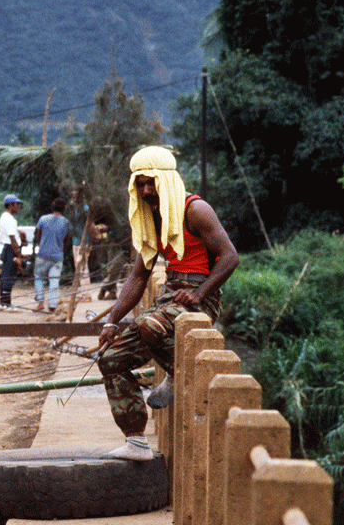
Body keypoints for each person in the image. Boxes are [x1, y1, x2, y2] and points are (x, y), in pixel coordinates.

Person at [95, 146, 239, 461]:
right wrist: (111, 322)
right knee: (110, 359)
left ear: (167, 179)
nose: (146, 190)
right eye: (140, 184)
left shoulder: (195, 209)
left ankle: (177, 371)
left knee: (149, 325)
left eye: (152, 183)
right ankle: (136, 442)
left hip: (201, 296)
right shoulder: (151, 218)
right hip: (170, 294)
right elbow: (138, 276)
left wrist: (200, 294)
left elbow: (230, 257)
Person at [32, 197, 73, 313]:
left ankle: (40, 303)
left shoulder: (43, 219)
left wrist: (42, 246)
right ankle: (52, 306)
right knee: (54, 281)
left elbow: (37, 236)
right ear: (64, 209)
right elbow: (67, 241)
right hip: (57, 256)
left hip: (43, 255)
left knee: (39, 277)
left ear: (52, 206)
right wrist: (61, 252)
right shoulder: (67, 223)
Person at [0, 194, 25, 310]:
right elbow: (13, 239)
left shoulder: (4, 217)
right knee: (9, 277)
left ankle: (3, 302)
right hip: (10, 249)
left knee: (5, 275)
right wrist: (18, 256)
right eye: (17, 204)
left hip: (8, 249)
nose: (18, 207)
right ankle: (6, 303)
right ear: (10, 205)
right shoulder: (10, 219)